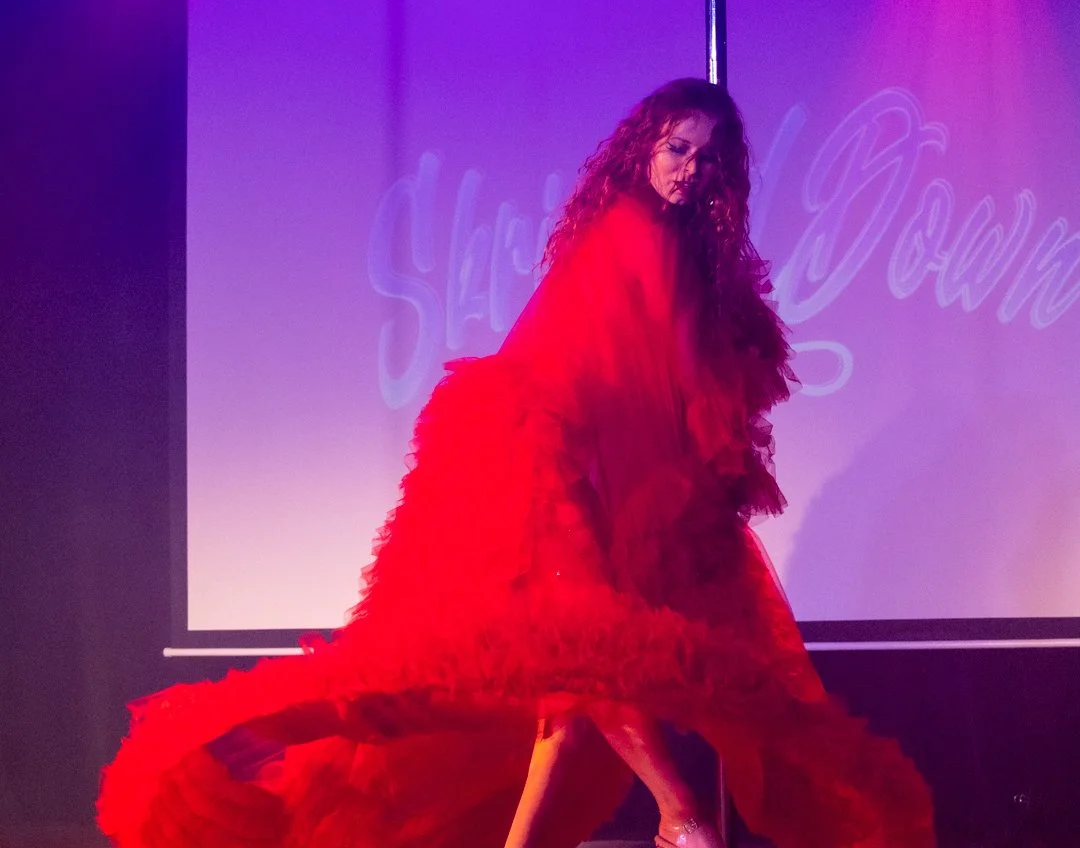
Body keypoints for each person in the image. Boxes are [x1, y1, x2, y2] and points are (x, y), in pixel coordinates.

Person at [98, 78, 935, 848]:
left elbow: (655, 378)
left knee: (557, 696)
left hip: (584, 468)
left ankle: (254, 739)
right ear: (644, 146)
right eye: (677, 148)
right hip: (558, 473)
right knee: (569, 659)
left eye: (707, 157)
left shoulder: (661, 240)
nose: (690, 169)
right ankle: (683, 819)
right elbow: (645, 377)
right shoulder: (635, 237)